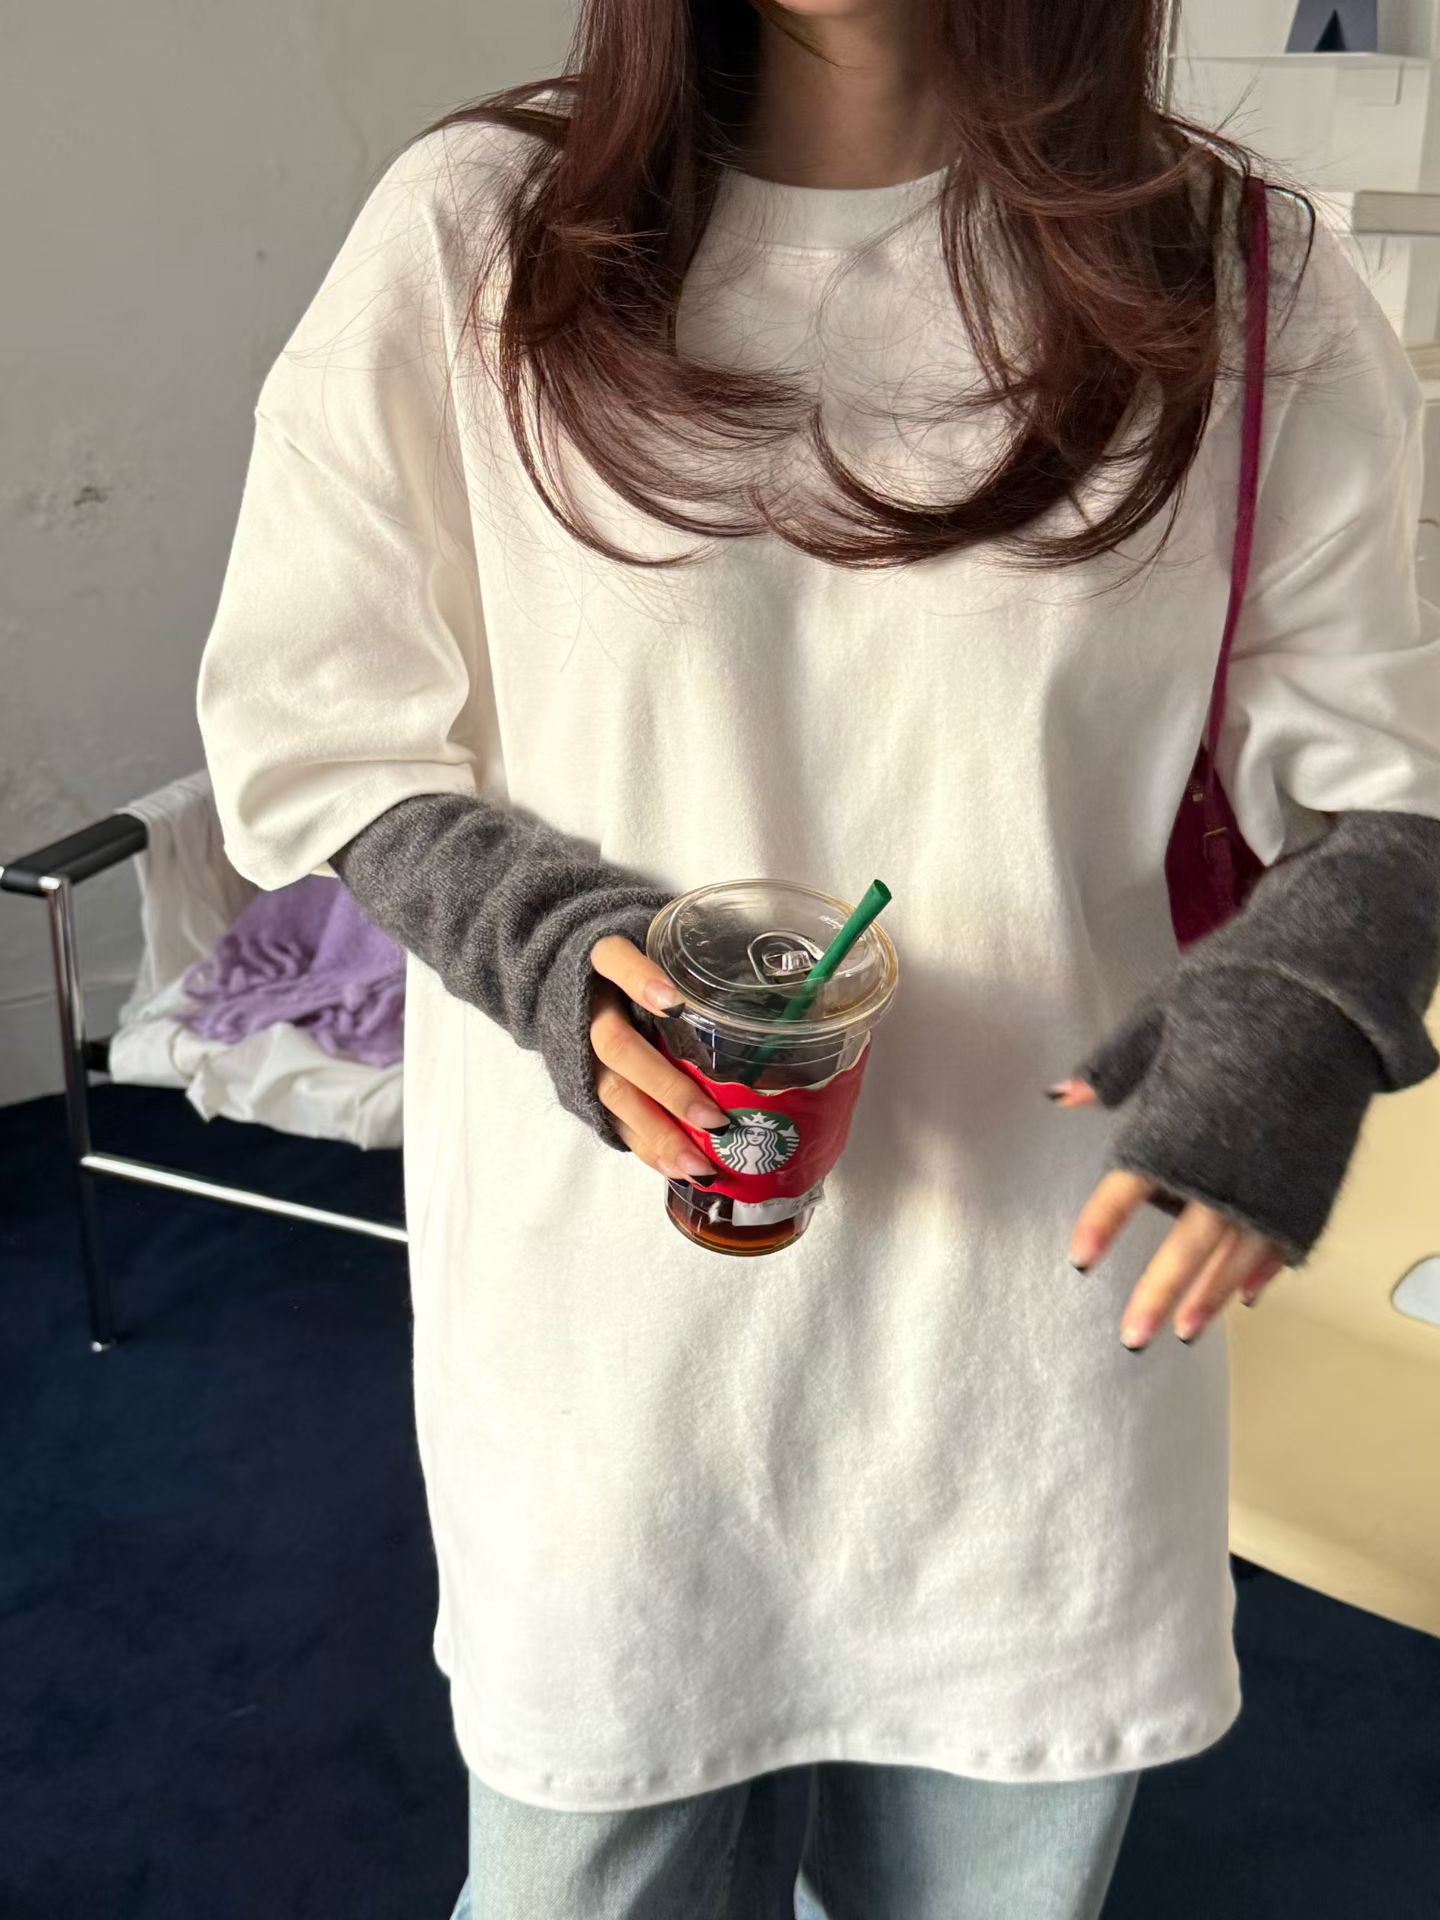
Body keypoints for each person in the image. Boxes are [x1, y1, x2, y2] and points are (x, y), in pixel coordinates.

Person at [194, 1, 1440, 1914]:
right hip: (612, 1354)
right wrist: (544, 939)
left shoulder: (1240, 276)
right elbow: (316, 721)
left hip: (1034, 1363)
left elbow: (1379, 777)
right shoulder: (477, 235)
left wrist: (1298, 1013)